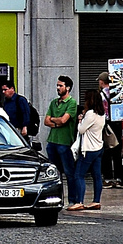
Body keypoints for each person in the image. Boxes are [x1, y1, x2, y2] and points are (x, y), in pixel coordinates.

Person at [43, 76, 79, 206]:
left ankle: (73, 199)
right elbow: (46, 121)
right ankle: (55, 198)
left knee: (69, 172)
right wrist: (57, 122)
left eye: (61, 85)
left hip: (64, 142)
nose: (58, 88)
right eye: (57, 85)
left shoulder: (71, 103)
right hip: (52, 141)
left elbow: (64, 120)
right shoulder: (54, 102)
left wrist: (55, 120)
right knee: (54, 173)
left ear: (67, 88)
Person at [71, 89, 106, 211]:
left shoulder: (91, 113)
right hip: (99, 147)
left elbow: (81, 130)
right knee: (97, 176)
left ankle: (79, 201)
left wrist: (80, 120)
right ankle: (96, 201)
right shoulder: (101, 114)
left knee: (79, 175)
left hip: (89, 149)